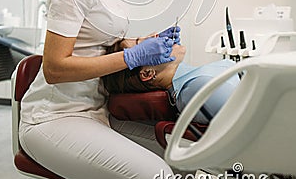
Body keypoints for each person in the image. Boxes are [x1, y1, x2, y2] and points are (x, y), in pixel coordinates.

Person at [19, 0, 187, 179]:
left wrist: (137, 42)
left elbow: (96, 38)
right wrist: (132, 57)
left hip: (95, 108)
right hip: (54, 116)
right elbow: (54, 69)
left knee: (184, 160)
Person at [103, 43, 240, 125]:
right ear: (147, 73)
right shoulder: (196, 89)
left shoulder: (196, 78)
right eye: (146, 46)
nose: (159, 40)